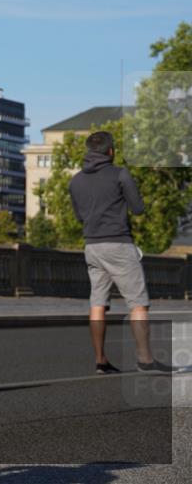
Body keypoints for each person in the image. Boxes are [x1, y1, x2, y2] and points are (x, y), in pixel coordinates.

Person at [68, 131, 172, 374]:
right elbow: (138, 208)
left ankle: (100, 360)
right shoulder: (120, 174)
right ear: (110, 151)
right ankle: (145, 359)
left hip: (92, 246)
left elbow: (80, 216)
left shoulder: (75, 180)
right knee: (138, 303)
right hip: (119, 244)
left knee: (97, 303)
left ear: (88, 151)